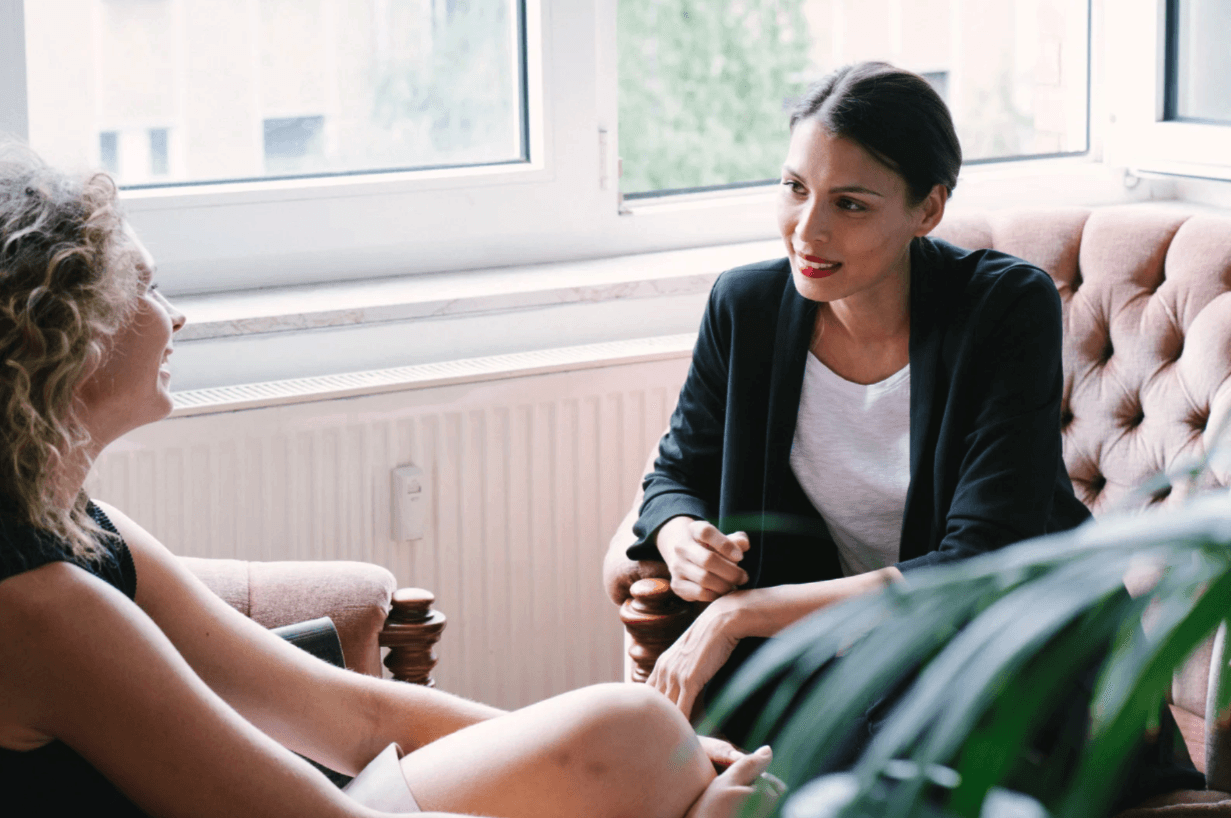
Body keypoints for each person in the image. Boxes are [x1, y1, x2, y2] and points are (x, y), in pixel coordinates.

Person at [0, 146, 783, 818]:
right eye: (147, 287)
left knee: (635, 730)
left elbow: (356, 714)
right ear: (72, 333)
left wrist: (668, 755)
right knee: (645, 751)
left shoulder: (82, 524)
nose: (177, 317)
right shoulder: (37, 608)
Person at [615, 62, 1093, 732]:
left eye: (850, 204)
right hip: (830, 665)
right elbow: (673, 473)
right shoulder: (744, 307)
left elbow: (981, 560)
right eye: (793, 189)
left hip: (1000, 660)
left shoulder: (1005, 308)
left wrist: (744, 610)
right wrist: (678, 533)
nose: (806, 233)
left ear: (926, 209)